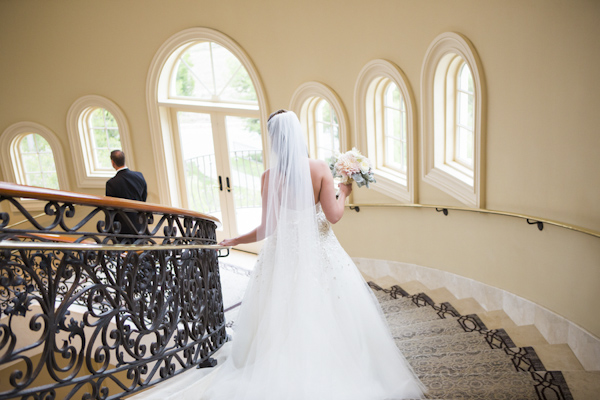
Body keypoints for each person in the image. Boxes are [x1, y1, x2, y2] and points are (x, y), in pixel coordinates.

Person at [171, 110, 426, 399]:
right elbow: (334, 216)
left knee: (282, 314)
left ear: (274, 141)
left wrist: (236, 238)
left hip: (284, 258)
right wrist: (345, 192)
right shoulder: (318, 168)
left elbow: (267, 227)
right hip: (322, 254)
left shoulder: (268, 177)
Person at [105, 150, 147, 236]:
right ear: (124, 160)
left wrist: (109, 228)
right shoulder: (139, 176)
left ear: (112, 162)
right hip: (140, 224)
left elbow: (110, 207)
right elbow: (144, 197)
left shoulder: (111, 183)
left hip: (123, 227)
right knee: (141, 248)